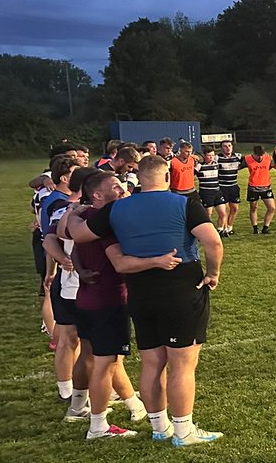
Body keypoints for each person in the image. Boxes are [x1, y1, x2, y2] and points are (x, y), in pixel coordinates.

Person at [68, 153, 224, 447]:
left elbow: (78, 234)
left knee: (152, 362)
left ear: (138, 178)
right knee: (182, 363)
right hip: (180, 287)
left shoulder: (116, 208)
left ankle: (159, 427)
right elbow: (212, 241)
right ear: (167, 176)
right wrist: (213, 273)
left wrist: (75, 211)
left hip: (139, 290)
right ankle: (184, 431)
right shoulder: (185, 203)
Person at [57, 170, 159, 439]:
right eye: (115, 186)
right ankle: (98, 425)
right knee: (107, 364)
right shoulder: (107, 223)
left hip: (86, 298)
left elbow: (73, 244)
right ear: (98, 195)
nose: (123, 189)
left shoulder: (86, 219)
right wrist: (157, 262)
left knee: (89, 356)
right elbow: (120, 263)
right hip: (108, 301)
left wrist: (80, 269)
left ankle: (78, 408)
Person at [40, 157, 83, 410]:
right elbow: (50, 238)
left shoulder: (56, 200)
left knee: (73, 339)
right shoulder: (62, 204)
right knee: (73, 339)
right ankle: (69, 391)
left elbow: (48, 239)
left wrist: (53, 267)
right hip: (72, 282)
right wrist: (61, 261)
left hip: (65, 277)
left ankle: (72, 390)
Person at [195, 145, 228, 235]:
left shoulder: (216, 164)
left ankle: (219, 230)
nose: (211, 157)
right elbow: (191, 174)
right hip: (206, 193)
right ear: (204, 156)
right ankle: (206, 232)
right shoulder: (200, 166)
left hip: (217, 192)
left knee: (223, 213)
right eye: (209, 155)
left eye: (213, 155)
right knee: (208, 214)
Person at [244, 145, 276, 234]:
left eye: (262, 155)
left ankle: (266, 227)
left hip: (266, 186)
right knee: (253, 208)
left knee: (272, 207)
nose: (260, 157)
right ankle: (255, 228)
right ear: (254, 154)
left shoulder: (268, 158)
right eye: (258, 155)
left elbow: (272, 166)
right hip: (253, 187)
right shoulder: (247, 159)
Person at [217, 140, 243, 235]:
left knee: (234, 208)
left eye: (229, 146)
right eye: (225, 146)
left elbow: (251, 159)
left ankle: (229, 227)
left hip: (233, 186)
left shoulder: (238, 157)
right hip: (222, 187)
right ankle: (221, 229)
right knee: (224, 210)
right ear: (221, 148)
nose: (227, 148)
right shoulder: (217, 158)